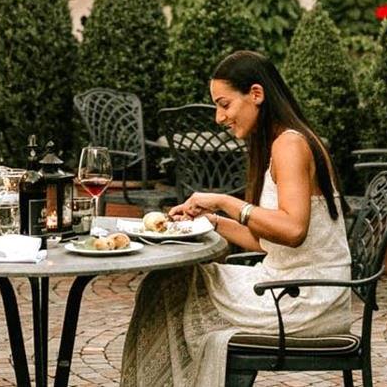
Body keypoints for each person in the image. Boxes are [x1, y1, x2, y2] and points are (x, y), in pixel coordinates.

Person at [120, 50, 354, 385]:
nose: (219, 117)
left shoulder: (289, 144)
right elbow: (265, 240)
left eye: (224, 104)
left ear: (256, 95)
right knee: (166, 282)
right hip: (287, 286)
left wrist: (225, 203)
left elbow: (293, 230)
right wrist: (210, 220)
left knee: (169, 285)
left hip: (305, 300)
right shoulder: (280, 141)